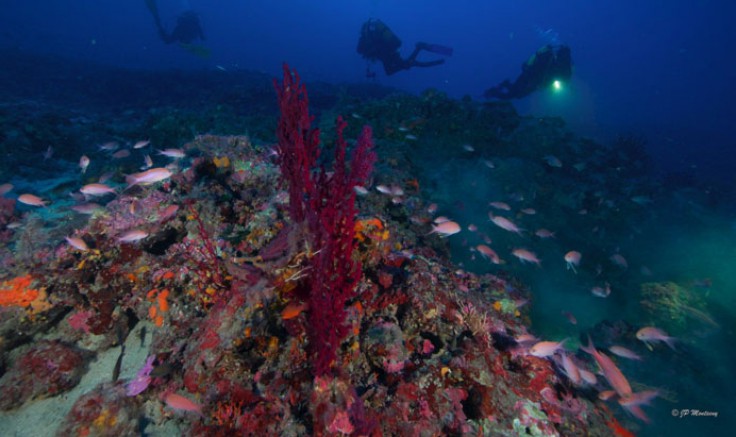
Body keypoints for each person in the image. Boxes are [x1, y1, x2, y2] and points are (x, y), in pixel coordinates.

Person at [357, 19, 452, 76]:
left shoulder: (367, 44)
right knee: (401, 66)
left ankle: (419, 48)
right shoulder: (369, 40)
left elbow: (366, 51)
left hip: (387, 53)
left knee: (395, 69)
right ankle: (420, 51)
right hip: (389, 51)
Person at [484, 44, 572, 100]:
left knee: (516, 94)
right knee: (514, 94)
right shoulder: (548, 57)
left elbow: (563, 80)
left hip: (534, 82)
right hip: (529, 77)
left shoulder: (565, 67)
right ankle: (494, 92)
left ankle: (502, 86)